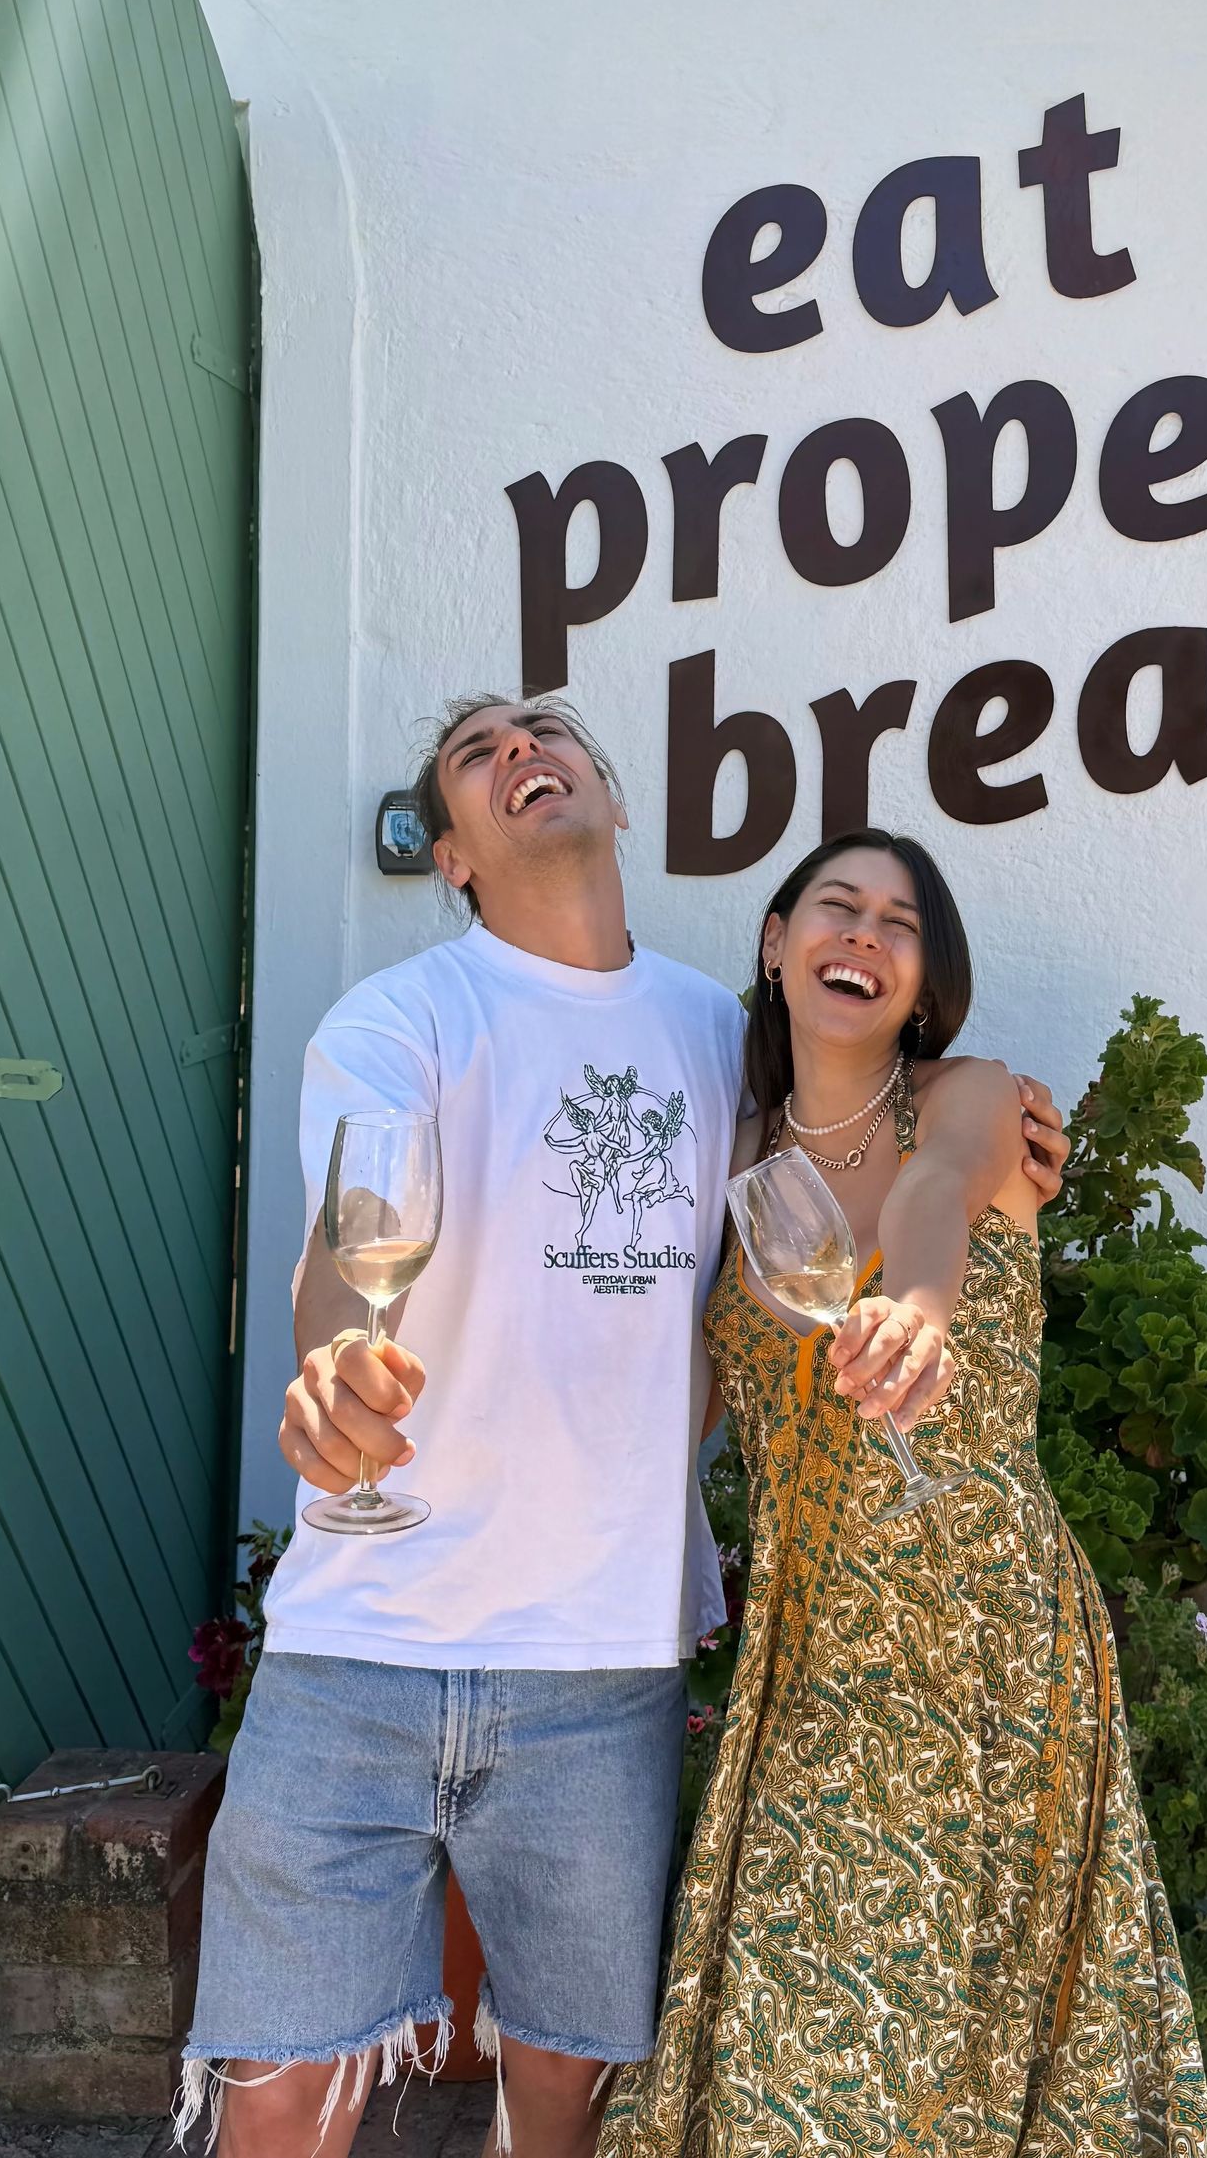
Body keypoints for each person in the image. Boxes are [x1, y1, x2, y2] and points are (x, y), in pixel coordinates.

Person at [180, 698, 1070, 2158]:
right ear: (455, 854)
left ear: (611, 797)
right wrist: (339, 1357)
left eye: (549, 732)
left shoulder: (728, 1039)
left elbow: (883, 1146)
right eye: (478, 752)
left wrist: (1012, 1143)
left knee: (565, 2099)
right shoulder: (397, 1020)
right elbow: (348, 1238)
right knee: (281, 2093)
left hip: (600, 1660)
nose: (521, 747)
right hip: (360, 1644)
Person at [597, 831, 1207, 2158]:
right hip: (814, 1659)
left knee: (970, 2044)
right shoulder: (727, 1154)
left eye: (900, 922)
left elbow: (938, 1193)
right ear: (777, 943)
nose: (864, 936)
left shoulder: (975, 1096)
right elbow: (679, 1402)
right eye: (837, 908)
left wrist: (921, 1310)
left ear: (926, 981)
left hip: (994, 1651)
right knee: (794, 2038)